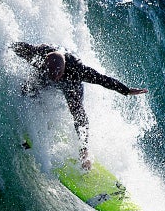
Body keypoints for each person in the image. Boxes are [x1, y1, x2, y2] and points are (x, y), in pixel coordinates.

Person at [11, 42, 148, 170]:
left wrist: (126, 90)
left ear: (62, 68)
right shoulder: (38, 54)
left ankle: (84, 151)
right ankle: (29, 126)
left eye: (57, 75)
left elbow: (103, 79)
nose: (54, 78)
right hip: (48, 69)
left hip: (70, 83)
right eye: (52, 75)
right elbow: (14, 46)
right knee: (28, 88)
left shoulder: (77, 69)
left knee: (78, 112)